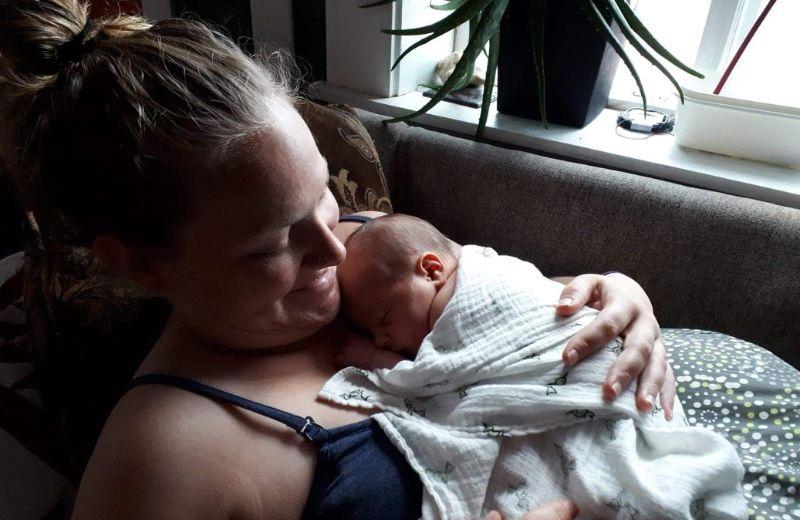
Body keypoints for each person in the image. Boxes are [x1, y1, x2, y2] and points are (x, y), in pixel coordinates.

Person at [0, 1, 675, 518]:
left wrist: (615, 299)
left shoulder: (363, 243)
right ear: (144, 265)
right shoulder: (163, 464)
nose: (333, 248)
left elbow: (500, 307)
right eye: (273, 244)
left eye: (321, 192)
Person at [330, 213, 745, 519]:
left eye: (384, 321)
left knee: (618, 467)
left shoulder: (470, 285)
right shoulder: (404, 281)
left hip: (603, 380)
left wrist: (374, 360)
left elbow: (433, 376)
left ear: (432, 270)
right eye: (374, 335)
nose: (383, 340)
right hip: (563, 409)